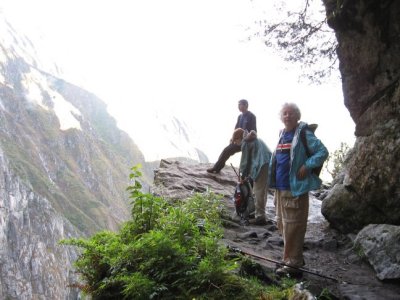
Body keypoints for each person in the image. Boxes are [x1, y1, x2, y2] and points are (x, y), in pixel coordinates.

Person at [268, 102, 328, 276]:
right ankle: (291, 259)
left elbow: (322, 152)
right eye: (285, 113)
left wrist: (307, 166)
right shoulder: (282, 134)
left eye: (291, 113)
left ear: (297, 116)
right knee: (284, 225)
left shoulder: (303, 133)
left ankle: (293, 265)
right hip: (281, 187)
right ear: (281, 117)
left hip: (295, 188)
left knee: (294, 226)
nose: (287, 116)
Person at [207, 99, 257, 174]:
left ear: (246, 105)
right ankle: (216, 168)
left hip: (247, 143)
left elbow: (254, 132)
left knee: (247, 161)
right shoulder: (240, 117)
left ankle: (247, 177)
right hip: (238, 141)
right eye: (238, 105)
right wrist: (233, 139)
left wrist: (246, 138)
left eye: (240, 105)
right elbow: (236, 129)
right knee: (226, 150)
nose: (239, 107)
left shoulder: (251, 116)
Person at [238, 129, 272, 225]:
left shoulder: (245, 142)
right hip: (268, 162)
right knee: (262, 190)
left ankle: (260, 217)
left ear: (238, 138)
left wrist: (242, 176)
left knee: (258, 191)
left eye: (236, 141)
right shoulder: (254, 139)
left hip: (262, 164)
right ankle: (260, 213)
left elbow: (244, 161)